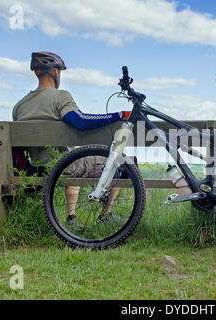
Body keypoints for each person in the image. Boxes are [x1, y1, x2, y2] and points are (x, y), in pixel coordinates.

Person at [12, 51, 129, 226]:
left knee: (74, 158)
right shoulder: (60, 97)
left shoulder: (19, 106)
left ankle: (72, 217)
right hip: (64, 166)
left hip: (36, 167)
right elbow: (81, 122)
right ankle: (104, 216)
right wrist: (118, 114)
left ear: (36, 71)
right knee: (123, 163)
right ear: (54, 72)